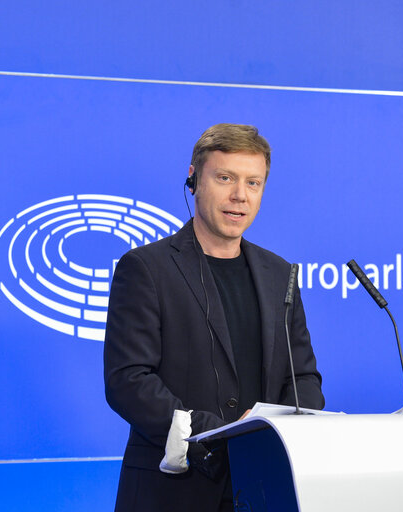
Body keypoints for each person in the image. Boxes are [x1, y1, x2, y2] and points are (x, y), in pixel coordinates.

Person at [103, 124, 325, 512]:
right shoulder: (146, 268)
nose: (240, 195)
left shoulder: (280, 273)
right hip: (174, 489)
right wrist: (221, 433)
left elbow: (302, 376)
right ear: (194, 181)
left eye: (253, 183)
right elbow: (128, 380)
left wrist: (284, 433)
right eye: (225, 178)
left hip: (266, 486)